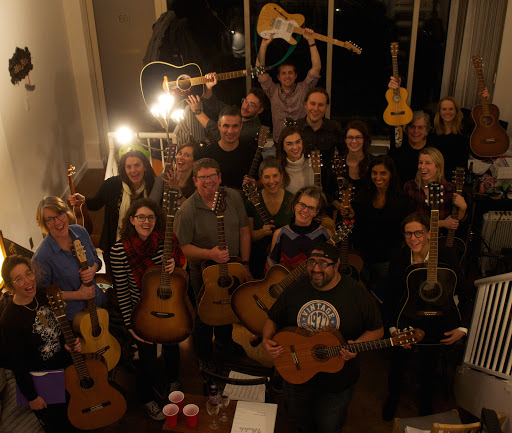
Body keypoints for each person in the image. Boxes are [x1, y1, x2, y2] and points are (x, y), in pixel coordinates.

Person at [263, 243, 384, 433]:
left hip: (337, 382)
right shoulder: (296, 288)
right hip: (296, 375)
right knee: (298, 421)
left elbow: (377, 330)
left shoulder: (355, 292)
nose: (315, 269)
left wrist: (356, 346)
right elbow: (273, 317)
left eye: (323, 263)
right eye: (311, 262)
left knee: (329, 426)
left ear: (336, 266)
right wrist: (266, 340)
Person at [383, 212, 469, 419]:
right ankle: (392, 399)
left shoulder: (446, 255)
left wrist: (462, 328)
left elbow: (465, 293)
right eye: (408, 234)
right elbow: (391, 296)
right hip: (408, 316)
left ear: (430, 234)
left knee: (429, 365)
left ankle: (426, 405)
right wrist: (393, 329)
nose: (413, 239)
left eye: (419, 233)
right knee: (397, 363)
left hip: (439, 317)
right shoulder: (400, 257)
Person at [110, 198, 185, 421]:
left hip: (168, 305)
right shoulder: (119, 251)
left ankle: (173, 380)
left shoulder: (166, 241)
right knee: (147, 357)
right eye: (141, 217)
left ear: (156, 220)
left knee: (172, 346)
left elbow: (181, 264)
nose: (146, 221)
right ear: (131, 220)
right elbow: (122, 291)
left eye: (151, 217)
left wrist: (175, 265)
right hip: (141, 311)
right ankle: (146, 398)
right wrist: (129, 325)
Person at [174, 158, 252, 369]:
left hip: (233, 267)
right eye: (203, 177)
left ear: (219, 178)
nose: (208, 181)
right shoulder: (188, 210)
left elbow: (244, 231)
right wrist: (210, 253)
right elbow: (182, 247)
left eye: (212, 176)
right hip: (203, 271)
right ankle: (204, 354)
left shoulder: (234, 197)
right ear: (195, 180)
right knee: (205, 312)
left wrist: (244, 264)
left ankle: (225, 342)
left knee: (228, 304)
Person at [0, 255, 81, 432]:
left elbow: (62, 323)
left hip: (66, 369)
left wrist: (71, 341)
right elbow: (17, 363)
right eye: (19, 279)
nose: (28, 281)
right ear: (10, 285)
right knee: (62, 425)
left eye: (29, 274)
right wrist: (32, 396)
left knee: (80, 414)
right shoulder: (9, 320)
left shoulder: (45, 295)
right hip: (44, 381)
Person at [68, 149, 155, 269]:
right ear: (124, 169)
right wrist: (83, 200)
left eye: (137, 165)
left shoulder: (153, 187)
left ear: (145, 167)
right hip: (115, 245)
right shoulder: (112, 185)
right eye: (128, 166)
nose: (133, 170)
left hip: (144, 245)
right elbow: (96, 204)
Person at [33, 196, 106, 321]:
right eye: (50, 219)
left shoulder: (80, 232)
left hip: (98, 300)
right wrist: (78, 295)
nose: (57, 222)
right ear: (44, 223)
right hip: (75, 316)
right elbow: (43, 294)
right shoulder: (42, 256)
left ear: (66, 213)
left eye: (60, 214)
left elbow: (96, 259)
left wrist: (92, 270)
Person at [256, 29, 321, 142]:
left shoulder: (304, 89)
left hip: (301, 143)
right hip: (279, 143)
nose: (287, 76)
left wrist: (311, 42)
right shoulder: (273, 91)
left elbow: (316, 68)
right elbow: (259, 71)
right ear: (278, 77)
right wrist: (263, 46)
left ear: (295, 75)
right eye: (284, 73)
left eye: (290, 73)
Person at [245, 156, 294, 278]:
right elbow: (248, 236)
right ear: (261, 179)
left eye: (275, 176)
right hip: (258, 260)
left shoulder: (292, 200)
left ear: (282, 176)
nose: (271, 181)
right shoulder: (252, 201)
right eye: (267, 177)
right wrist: (262, 232)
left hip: (286, 260)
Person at [187, 76, 268, 146]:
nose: (245, 106)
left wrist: (197, 111)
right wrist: (208, 87)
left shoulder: (253, 129)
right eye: (245, 101)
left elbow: (220, 136)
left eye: (251, 105)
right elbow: (215, 105)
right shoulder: (237, 112)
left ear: (260, 110)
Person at [268, 186, 331, 270]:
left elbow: (331, 269)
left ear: (316, 212)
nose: (305, 211)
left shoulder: (325, 234)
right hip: (286, 282)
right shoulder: (280, 233)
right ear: (295, 205)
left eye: (311, 208)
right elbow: (271, 270)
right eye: (302, 205)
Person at [403, 147, 467, 230]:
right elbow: (407, 220)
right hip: (417, 238)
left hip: (441, 238)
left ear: (438, 167)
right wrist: (441, 223)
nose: (422, 167)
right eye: (420, 162)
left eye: (428, 163)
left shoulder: (449, 189)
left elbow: (455, 222)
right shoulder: (410, 187)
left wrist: (463, 208)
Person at [199, 105, 260, 189]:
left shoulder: (252, 151)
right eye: (226, 126)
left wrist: (255, 184)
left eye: (235, 126)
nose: (230, 131)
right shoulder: (207, 154)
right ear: (219, 125)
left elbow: (262, 180)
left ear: (241, 126)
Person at [296, 87, 345, 162]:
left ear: (326, 107)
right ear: (305, 104)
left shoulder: (334, 127)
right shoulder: (295, 128)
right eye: (312, 104)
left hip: (327, 173)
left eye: (320, 105)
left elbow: (344, 154)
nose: (316, 108)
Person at [430, 96, 469, 181]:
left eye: (451, 109)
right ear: (439, 112)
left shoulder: (464, 133)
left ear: (456, 111)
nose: (447, 112)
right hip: (435, 178)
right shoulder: (432, 133)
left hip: (456, 180)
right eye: (444, 109)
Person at [388, 110, 433, 186]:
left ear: (426, 131)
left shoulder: (432, 148)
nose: (416, 131)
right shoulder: (398, 145)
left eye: (420, 128)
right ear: (407, 129)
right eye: (412, 127)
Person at [275, 125, 314, 194]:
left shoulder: (313, 163)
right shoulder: (277, 168)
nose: (295, 147)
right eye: (289, 144)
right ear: (283, 147)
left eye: (298, 142)